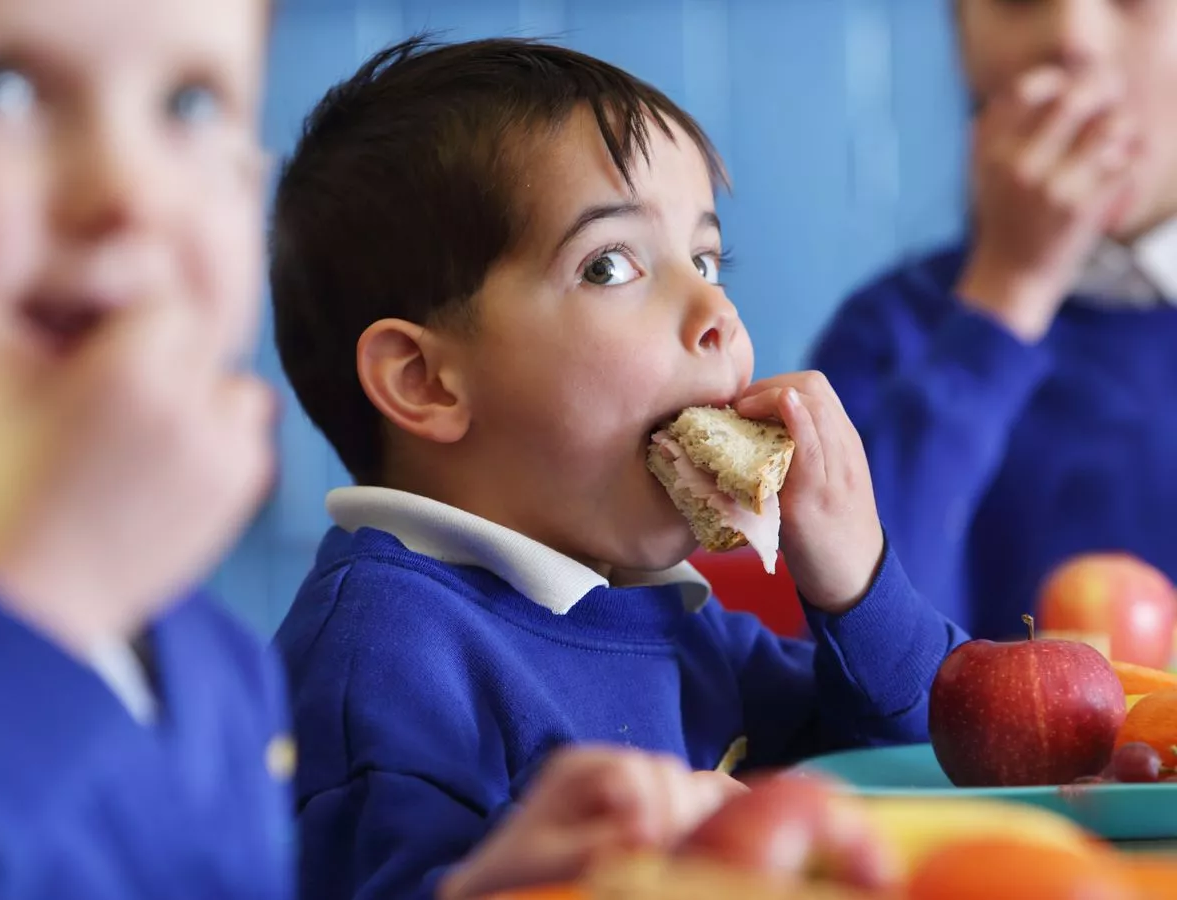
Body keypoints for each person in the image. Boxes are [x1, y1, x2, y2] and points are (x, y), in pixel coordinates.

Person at [269, 35, 968, 900]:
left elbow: (936, 767)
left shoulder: (670, 619)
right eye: (610, 265)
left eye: (708, 260)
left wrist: (857, 584)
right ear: (426, 382)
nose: (718, 311)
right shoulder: (384, 654)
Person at [0, 0, 294, 895]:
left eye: (191, 104)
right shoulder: (88, 590)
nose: (129, 195)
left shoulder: (214, 657)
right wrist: (55, 599)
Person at [810, 0, 1177, 640]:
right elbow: (869, 666)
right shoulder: (889, 334)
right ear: (963, 42)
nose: (1073, 38)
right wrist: (1008, 294)